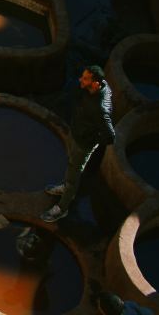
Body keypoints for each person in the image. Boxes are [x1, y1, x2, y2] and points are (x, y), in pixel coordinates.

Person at [42, 65, 114, 222]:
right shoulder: (97, 88)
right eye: (83, 76)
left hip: (84, 144)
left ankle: (62, 208)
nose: (81, 80)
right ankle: (65, 187)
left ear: (95, 83)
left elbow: (110, 136)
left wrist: (90, 139)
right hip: (76, 134)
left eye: (86, 78)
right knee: (71, 164)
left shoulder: (101, 109)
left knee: (75, 175)